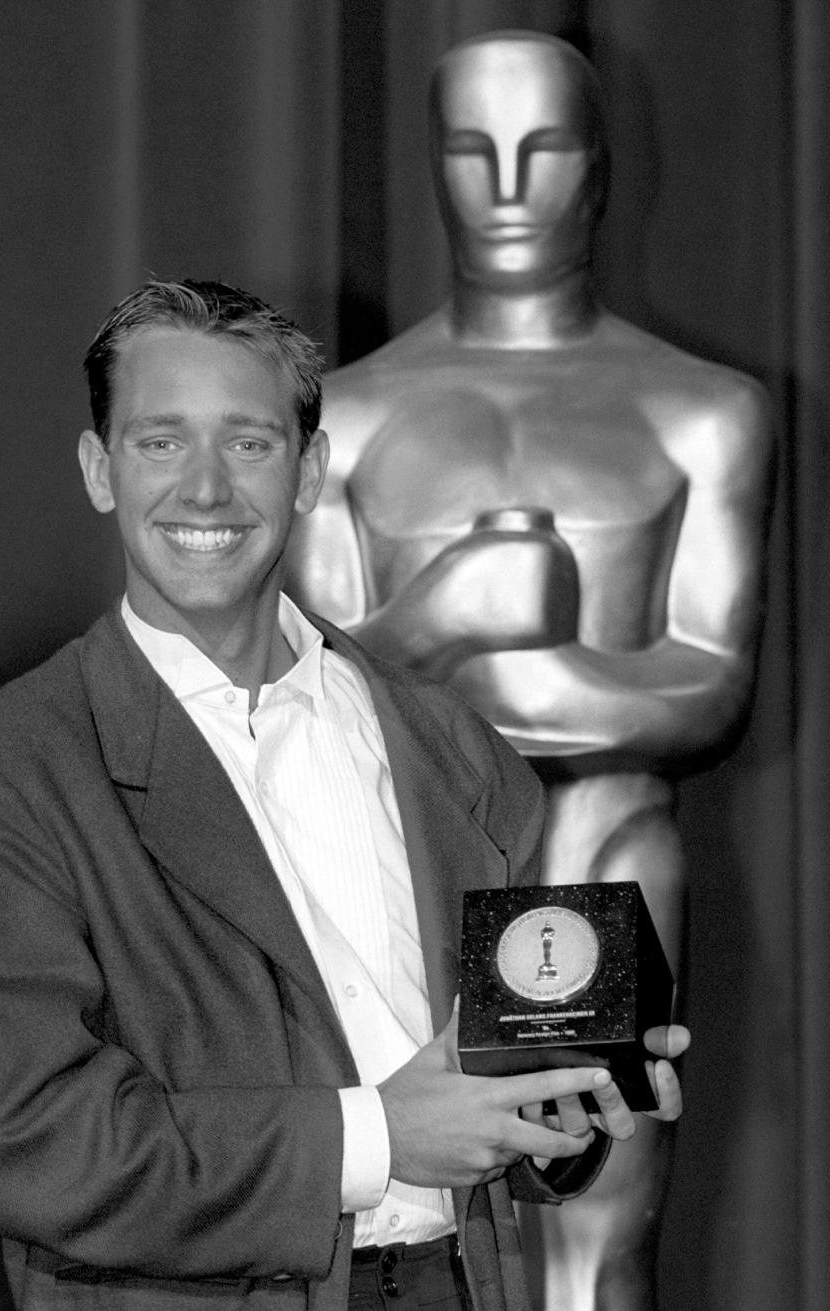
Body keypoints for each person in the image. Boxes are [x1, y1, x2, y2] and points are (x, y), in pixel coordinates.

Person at [0, 279, 688, 1311]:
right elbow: (39, 1147)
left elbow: (480, 1081)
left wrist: (559, 1103)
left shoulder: (455, 748)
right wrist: (381, 1135)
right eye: (161, 443)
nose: (207, 490)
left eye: (251, 443)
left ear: (310, 471)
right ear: (99, 470)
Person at [283, 31, 772, 1311]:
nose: (507, 185)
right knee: (389, 1226)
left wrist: (507, 653)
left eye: (545, 148)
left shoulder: (700, 410)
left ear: (601, 172)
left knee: (590, 1241)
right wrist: (450, 612)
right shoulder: (349, 418)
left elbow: (708, 688)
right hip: (402, 871)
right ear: (434, 170)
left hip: (597, 856)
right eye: (471, 149)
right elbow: (313, 697)